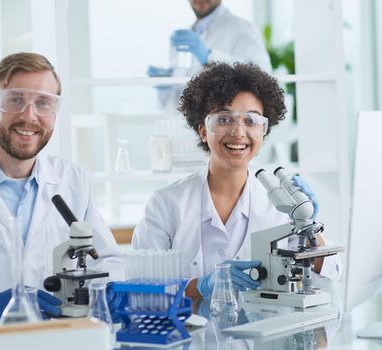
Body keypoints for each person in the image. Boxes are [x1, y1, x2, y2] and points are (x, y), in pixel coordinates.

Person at [0, 52, 123, 325]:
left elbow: (107, 260)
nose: (29, 116)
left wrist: (110, 289)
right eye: (16, 100)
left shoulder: (72, 180)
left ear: (55, 113)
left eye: (43, 103)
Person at [133, 62, 340, 304]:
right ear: (203, 130)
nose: (238, 132)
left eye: (251, 121)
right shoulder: (166, 203)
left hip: (263, 334)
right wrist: (202, 286)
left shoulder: (280, 205)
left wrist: (309, 229)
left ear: (264, 131)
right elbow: (143, 288)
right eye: (224, 119)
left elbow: (331, 273)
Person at [148, 0, 272, 110]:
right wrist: (166, 86)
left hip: (225, 124)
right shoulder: (188, 35)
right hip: (190, 127)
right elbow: (180, 102)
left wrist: (208, 56)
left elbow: (262, 74)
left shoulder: (241, 28)